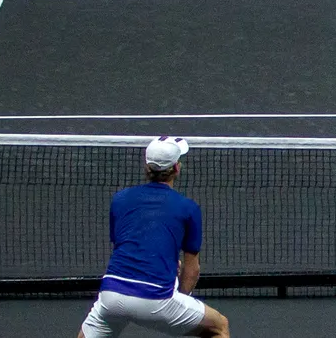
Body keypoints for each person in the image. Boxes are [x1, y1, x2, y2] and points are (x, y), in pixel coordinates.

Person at [76, 136, 231, 338]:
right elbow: (191, 269)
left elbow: (126, 246)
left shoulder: (120, 199)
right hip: (156, 299)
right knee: (219, 326)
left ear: (146, 167)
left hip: (111, 295)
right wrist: (179, 298)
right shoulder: (188, 208)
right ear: (177, 168)